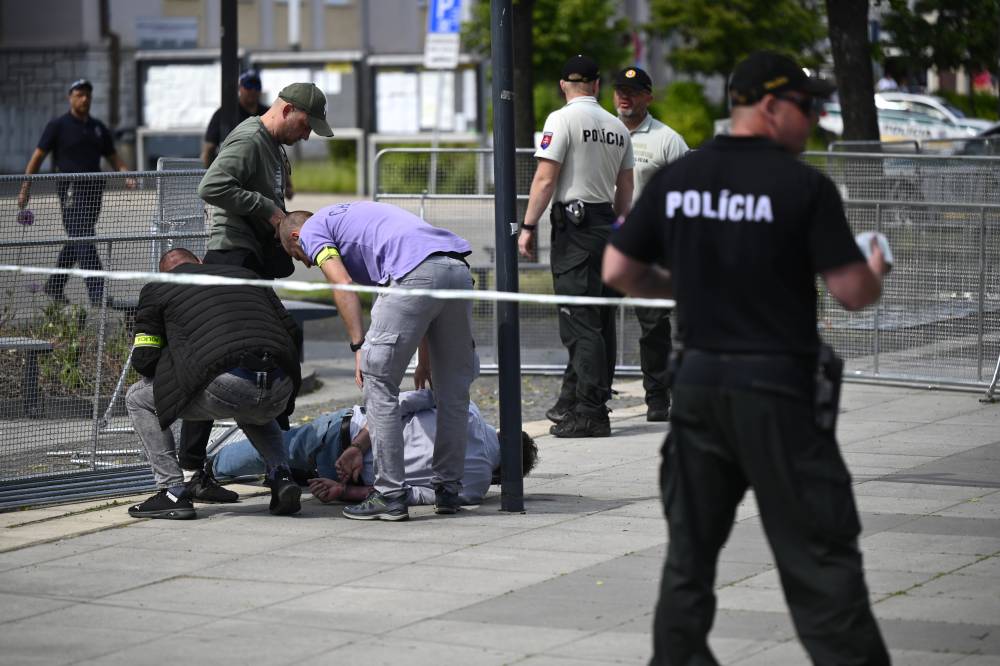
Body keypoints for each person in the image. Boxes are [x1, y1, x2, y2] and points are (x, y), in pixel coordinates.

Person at [602, 51, 891, 664]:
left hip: (700, 386)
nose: (813, 121)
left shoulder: (682, 178)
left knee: (689, 556)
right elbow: (851, 292)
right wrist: (877, 266)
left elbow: (618, 269)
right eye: (807, 108)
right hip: (779, 390)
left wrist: (684, 288)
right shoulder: (802, 186)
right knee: (818, 555)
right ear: (770, 105)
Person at [278, 201, 476, 522]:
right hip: (454, 268)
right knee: (452, 391)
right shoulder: (354, 223)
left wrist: (360, 345)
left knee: (378, 380)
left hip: (415, 273)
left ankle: (389, 495)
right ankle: (448, 490)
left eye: (297, 256)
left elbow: (342, 284)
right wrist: (424, 362)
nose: (307, 263)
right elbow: (422, 304)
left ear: (297, 237)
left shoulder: (313, 231)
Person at [125, 248, 304, 520]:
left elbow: (144, 359)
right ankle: (281, 476)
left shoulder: (159, 288)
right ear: (199, 262)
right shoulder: (246, 276)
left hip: (228, 384)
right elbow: (292, 332)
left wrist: (176, 359)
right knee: (253, 403)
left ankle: (172, 491)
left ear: (163, 274)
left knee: (137, 398)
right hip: (280, 383)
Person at [518, 54, 634, 439]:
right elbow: (626, 189)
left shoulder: (562, 119)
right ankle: (575, 400)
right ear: (597, 85)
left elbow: (545, 180)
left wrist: (528, 225)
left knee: (578, 321)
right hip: (607, 226)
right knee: (599, 320)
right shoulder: (617, 126)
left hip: (575, 230)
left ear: (564, 84)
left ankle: (590, 411)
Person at [210, 389, 538, 506]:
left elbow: (396, 405)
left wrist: (356, 447)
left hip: (345, 433)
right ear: (502, 475)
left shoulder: (464, 409)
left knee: (274, 450)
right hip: (348, 479)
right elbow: (408, 494)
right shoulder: (475, 486)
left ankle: (206, 469)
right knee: (284, 465)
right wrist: (342, 492)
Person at [612, 66, 688, 422]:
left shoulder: (667, 140)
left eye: (633, 91)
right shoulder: (603, 132)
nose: (624, 96)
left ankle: (658, 397)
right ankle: (591, 399)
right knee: (593, 322)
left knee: (654, 325)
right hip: (606, 241)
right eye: (619, 90)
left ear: (648, 97)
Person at [197, 81, 331, 280]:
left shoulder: (272, 142)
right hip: (235, 256)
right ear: (287, 110)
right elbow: (211, 187)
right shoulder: (251, 139)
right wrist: (268, 209)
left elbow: (267, 195)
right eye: (305, 126)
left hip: (254, 255)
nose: (305, 136)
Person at [17, 79, 132, 307]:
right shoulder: (58, 126)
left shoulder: (98, 127)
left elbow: (112, 156)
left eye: (88, 95)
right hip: (70, 191)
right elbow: (37, 157)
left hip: (94, 191)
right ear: (70, 97)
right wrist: (25, 188)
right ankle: (97, 292)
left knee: (78, 238)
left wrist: (126, 173)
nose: (84, 99)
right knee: (85, 238)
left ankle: (55, 285)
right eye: (79, 94)